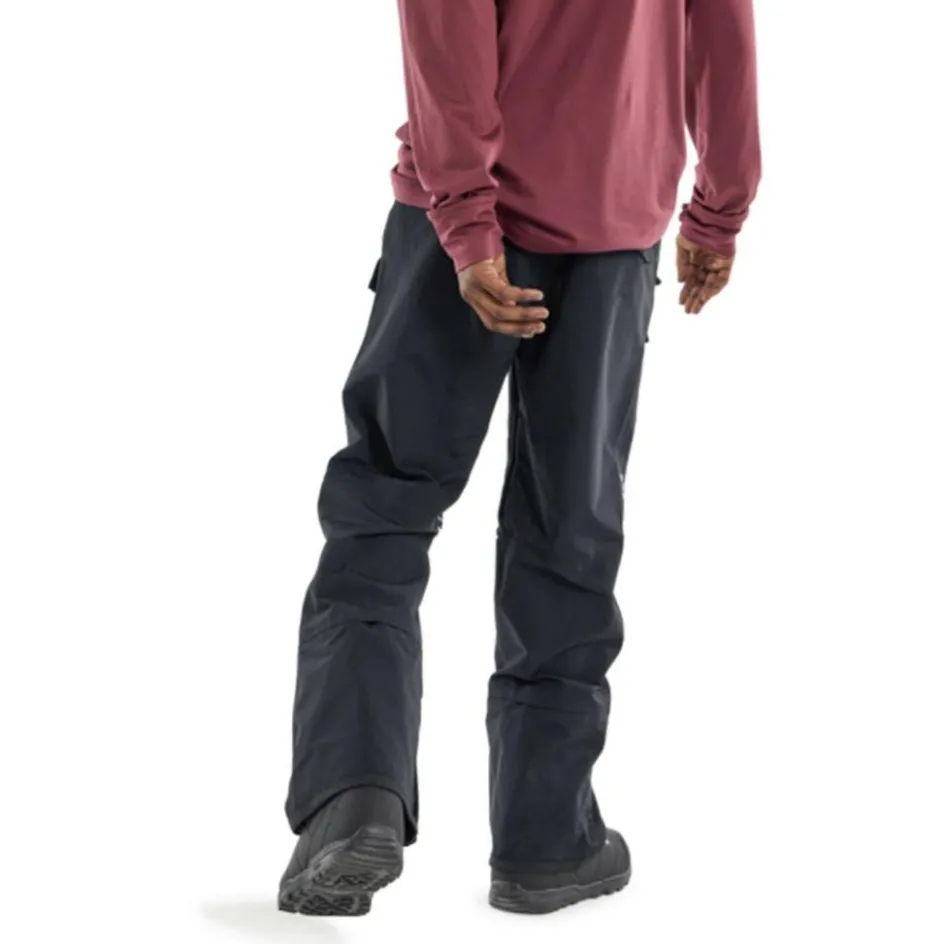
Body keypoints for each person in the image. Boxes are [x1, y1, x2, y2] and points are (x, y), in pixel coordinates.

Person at [278, 0, 760, 918]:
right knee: (569, 527)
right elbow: (721, 28)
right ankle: (545, 839)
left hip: (462, 237)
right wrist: (721, 203)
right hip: (614, 231)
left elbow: (445, 27)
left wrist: (466, 220)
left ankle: (355, 797)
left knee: (386, 509)